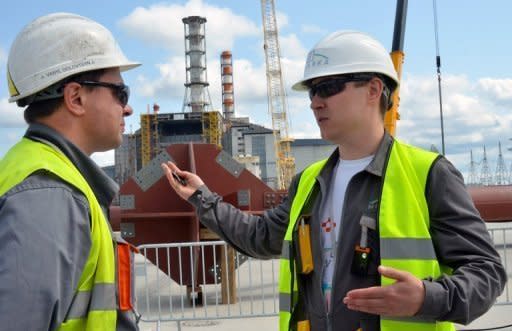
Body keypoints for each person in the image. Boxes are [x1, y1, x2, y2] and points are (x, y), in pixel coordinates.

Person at [161, 30, 506, 331]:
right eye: (311, 91)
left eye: (327, 87)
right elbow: (260, 237)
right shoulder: (309, 182)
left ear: (373, 89)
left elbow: (487, 272)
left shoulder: (429, 174)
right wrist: (201, 197)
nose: (314, 102)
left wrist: (426, 298)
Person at [0, 13, 140, 330]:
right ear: (75, 97)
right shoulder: (48, 193)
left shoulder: (43, 174)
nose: (127, 107)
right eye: (121, 92)